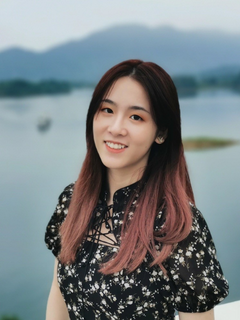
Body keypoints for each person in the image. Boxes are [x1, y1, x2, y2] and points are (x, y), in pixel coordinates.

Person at [45, 59, 229, 320]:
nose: (116, 128)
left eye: (136, 117)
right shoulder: (73, 200)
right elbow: (58, 292)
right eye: (107, 110)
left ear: (161, 133)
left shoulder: (177, 226)